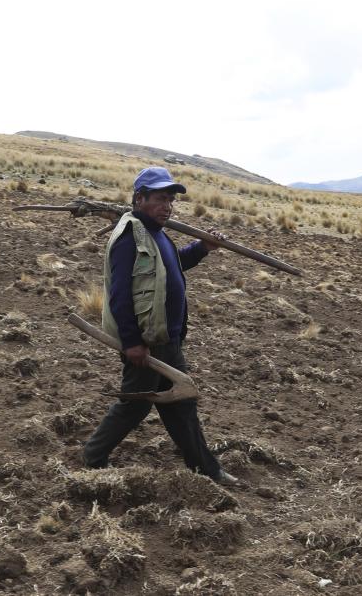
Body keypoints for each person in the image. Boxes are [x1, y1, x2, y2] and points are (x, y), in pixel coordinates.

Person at [82, 166, 239, 486]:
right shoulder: (130, 236)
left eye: (170, 199)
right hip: (146, 341)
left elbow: (171, 266)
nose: (167, 205)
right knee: (135, 406)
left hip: (165, 337)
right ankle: (92, 458)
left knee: (181, 405)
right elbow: (120, 293)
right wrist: (131, 342)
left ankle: (206, 471)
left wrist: (203, 248)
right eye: (159, 198)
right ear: (139, 199)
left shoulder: (156, 232)